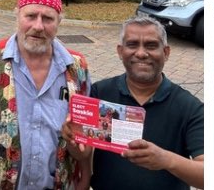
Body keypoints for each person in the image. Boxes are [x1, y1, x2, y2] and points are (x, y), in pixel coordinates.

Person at [0, 0, 91, 190]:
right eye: (30, 16)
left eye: (48, 18)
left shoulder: (77, 67)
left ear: (58, 23)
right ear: (17, 16)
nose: (38, 26)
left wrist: (84, 176)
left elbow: (86, 129)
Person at [65, 15, 204, 190]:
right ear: (120, 51)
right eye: (132, 45)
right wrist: (73, 141)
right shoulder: (100, 93)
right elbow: (82, 153)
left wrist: (167, 160)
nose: (141, 53)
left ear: (166, 52)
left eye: (151, 45)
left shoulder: (189, 107)